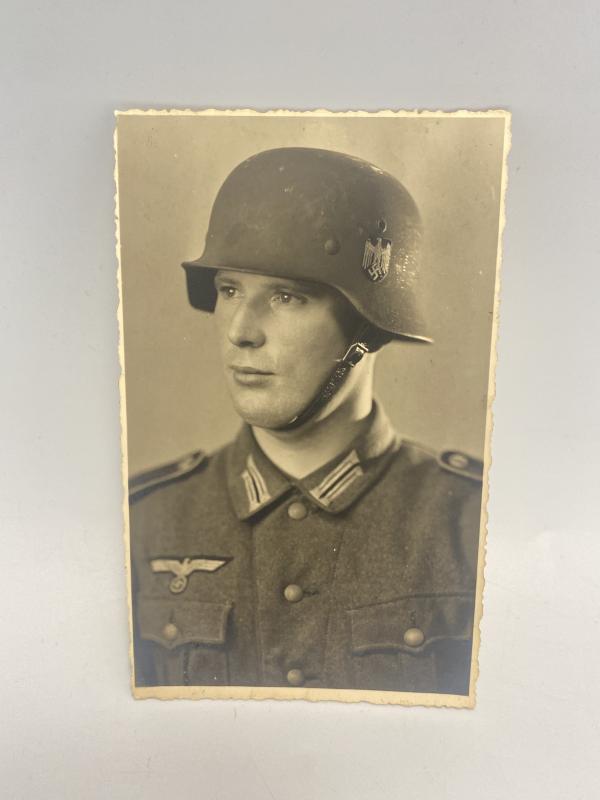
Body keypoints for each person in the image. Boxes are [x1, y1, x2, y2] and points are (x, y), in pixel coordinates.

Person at [128, 147, 483, 695]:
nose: (241, 331)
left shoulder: (472, 522)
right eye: (228, 291)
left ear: (369, 328)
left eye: (287, 297)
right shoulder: (145, 518)